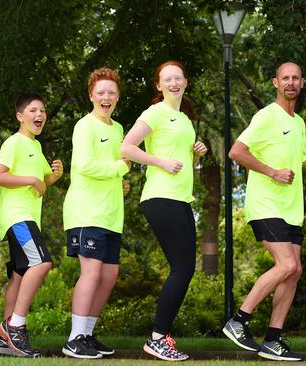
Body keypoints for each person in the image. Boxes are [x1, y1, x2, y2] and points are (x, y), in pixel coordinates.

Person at [223, 61, 306, 362]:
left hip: (291, 209)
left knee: (294, 271)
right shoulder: (267, 115)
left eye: (296, 78)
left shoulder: (299, 122)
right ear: (275, 83)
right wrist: (271, 172)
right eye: (286, 78)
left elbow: (298, 170)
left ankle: (273, 339)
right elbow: (236, 151)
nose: (291, 83)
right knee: (285, 265)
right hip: (266, 205)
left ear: (302, 83)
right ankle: (239, 320)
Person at [121, 60, 207, 361]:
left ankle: (161, 336)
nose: (173, 83)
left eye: (178, 78)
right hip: (160, 197)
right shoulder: (155, 112)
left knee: (185, 270)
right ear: (159, 85)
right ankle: (157, 337)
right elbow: (127, 147)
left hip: (181, 198)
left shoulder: (184, 119)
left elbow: (180, 161)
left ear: (186, 82)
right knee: (181, 269)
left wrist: (196, 156)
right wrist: (160, 162)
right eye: (167, 79)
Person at [62, 67, 130, 359]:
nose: (106, 97)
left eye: (111, 93)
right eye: (100, 92)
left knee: (110, 274)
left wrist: (120, 181)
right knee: (90, 273)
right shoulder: (84, 125)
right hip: (85, 213)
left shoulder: (117, 129)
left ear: (117, 97)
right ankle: (74, 337)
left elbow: (116, 166)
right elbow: (85, 165)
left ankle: (87, 335)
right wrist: (119, 169)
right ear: (91, 96)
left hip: (112, 215)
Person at [0, 93, 63, 357]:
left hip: (27, 217)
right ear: (20, 116)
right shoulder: (14, 143)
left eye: (42, 110)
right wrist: (32, 180)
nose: (39, 115)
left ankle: (5, 344)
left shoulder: (35, 146)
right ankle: (15, 326)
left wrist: (55, 175)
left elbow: (42, 183)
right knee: (41, 263)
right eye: (33, 110)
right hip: (17, 217)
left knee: (19, 276)